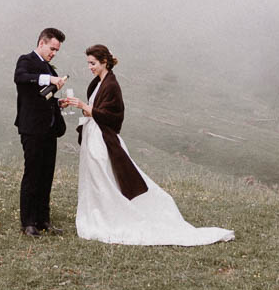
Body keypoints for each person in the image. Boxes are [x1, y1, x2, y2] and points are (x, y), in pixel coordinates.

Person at [60, 44, 234, 246]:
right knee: (95, 178)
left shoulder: (112, 85)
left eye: (93, 63)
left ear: (104, 62)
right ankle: (96, 213)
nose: (89, 67)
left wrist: (84, 106)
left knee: (104, 178)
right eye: (88, 64)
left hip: (103, 140)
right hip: (93, 136)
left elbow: (113, 116)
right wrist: (81, 108)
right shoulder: (96, 83)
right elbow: (94, 110)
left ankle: (110, 216)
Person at [13, 27, 69, 236]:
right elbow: (21, 78)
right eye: (52, 48)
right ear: (41, 43)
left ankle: (43, 220)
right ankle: (28, 222)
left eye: (56, 50)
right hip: (32, 128)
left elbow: (41, 97)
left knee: (47, 174)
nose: (53, 53)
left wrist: (57, 102)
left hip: (49, 129)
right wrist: (50, 80)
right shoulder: (26, 60)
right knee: (33, 173)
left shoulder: (49, 67)